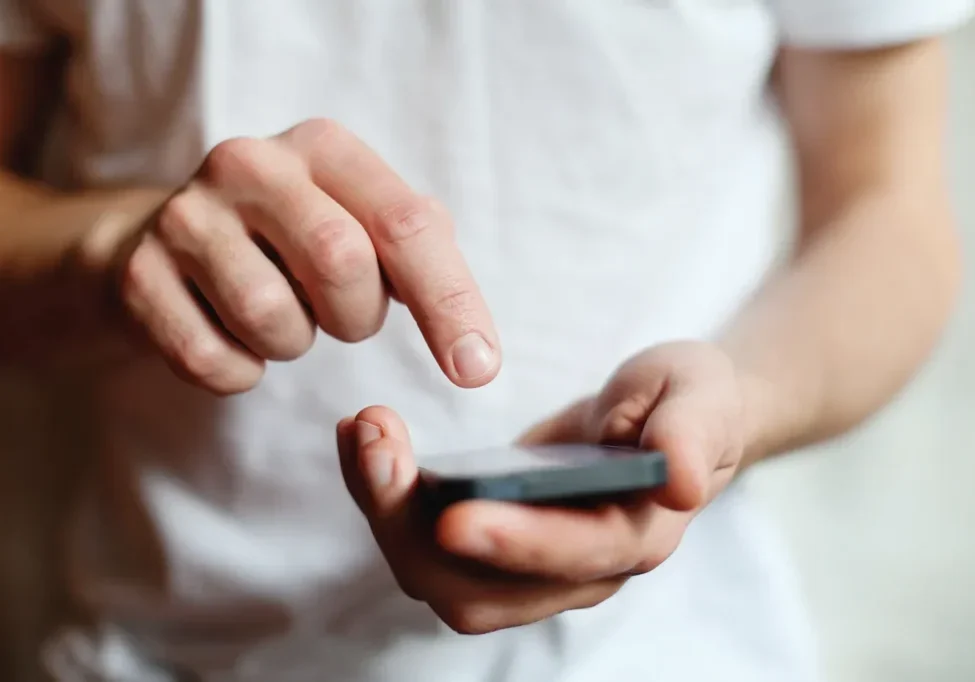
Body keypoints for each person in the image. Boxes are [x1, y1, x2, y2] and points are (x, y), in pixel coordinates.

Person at [0, 1, 970, 680]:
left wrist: (736, 409)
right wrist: (110, 254)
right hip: (152, 652)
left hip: (660, 654)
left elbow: (888, 218)